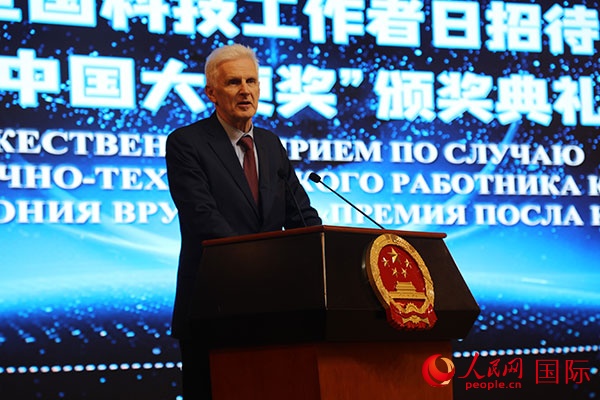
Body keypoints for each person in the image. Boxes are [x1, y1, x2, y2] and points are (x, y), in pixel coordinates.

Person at [165, 43, 322, 399]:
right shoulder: (187, 143)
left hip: (273, 308)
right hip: (212, 303)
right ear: (211, 93)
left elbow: (300, 213)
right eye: (234, 82)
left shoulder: (270, 144)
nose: (245, 91)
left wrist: (323, 249)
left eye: (251, 81)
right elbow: (201, 216)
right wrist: (260, 263)